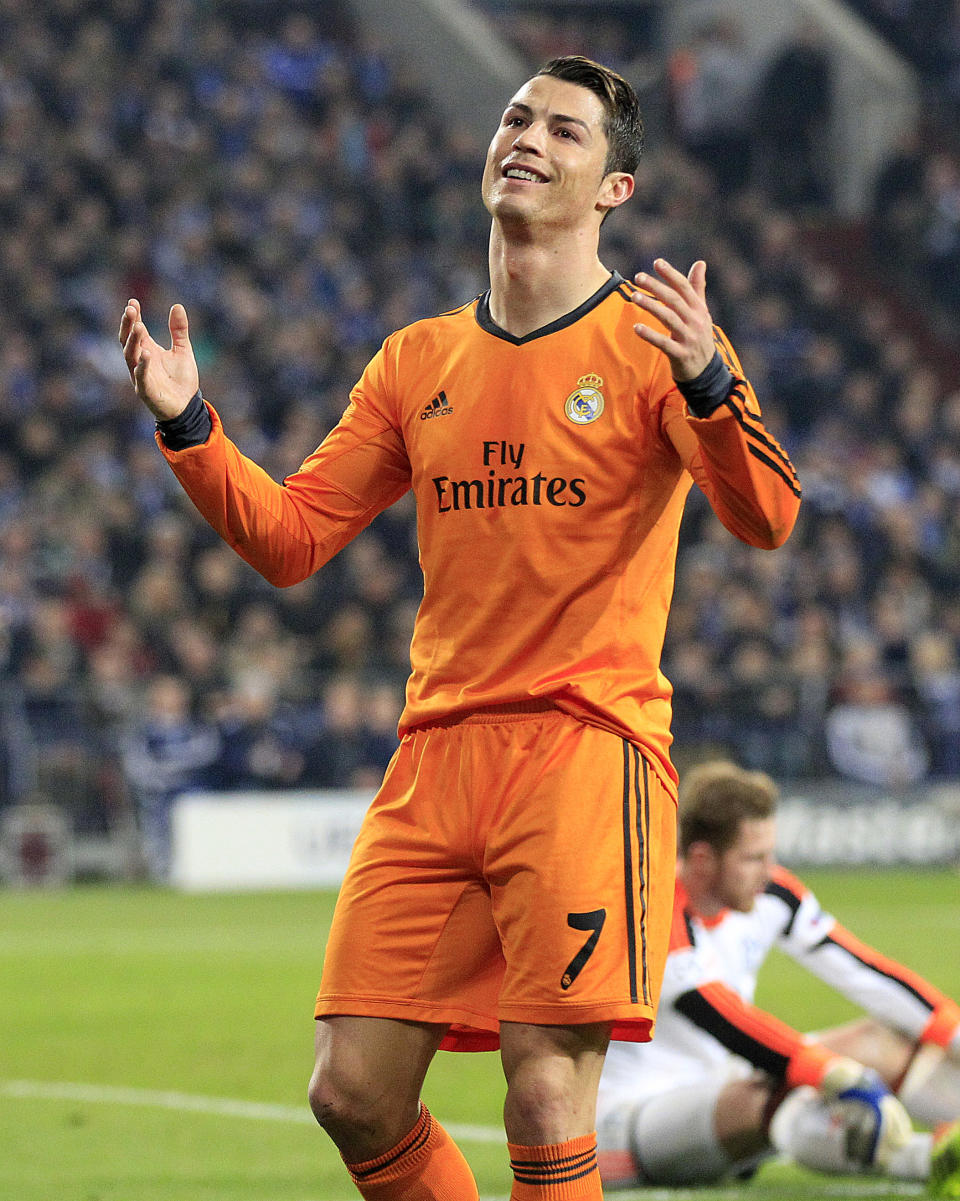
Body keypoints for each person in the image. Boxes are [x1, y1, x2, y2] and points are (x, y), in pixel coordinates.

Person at [119, 55, 801, 1201]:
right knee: (352, 1091)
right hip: (435, 758)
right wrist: (191, 424)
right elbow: (292, 538)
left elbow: (766, 515)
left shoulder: (653, 348)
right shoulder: (417, 360)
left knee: (544, 1094)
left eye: (567, 132)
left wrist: (708, 381)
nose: (528, 138)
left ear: (613, 192)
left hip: (584, 752)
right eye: (516, 116)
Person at [596, 759, 960, 1193]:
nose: (769, 871)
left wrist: (954, 1034)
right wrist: (833, 1073)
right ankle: (927, 1162)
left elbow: (865, 973)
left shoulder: (774, 895)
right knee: (782, 1088)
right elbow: (723, 1018)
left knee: (880, 1042)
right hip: (630, 1124)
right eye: (753, 858)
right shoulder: (653, 910)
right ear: (702, 859)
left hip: (724, 1090)